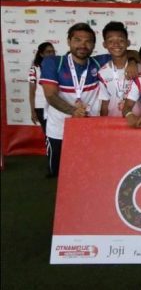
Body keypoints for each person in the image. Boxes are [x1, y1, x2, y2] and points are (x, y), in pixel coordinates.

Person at [39, 23, 115, 177]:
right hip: (59, 129)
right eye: (77, 40)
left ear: (94, 45)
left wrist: (133, 62)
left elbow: (129, 53)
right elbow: (51, 95)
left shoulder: (98, 62)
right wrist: (73, 111)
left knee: (88, 171)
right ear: (68, 41)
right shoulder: (53, 62)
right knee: (57, 172)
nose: (82, 45)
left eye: (88, 41)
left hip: (89, 129)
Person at [97, 21, 141, 117]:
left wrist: (133, 61)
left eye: (121, 40)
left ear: (128, 43)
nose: (116, 44)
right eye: (110, 41)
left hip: (139, 123)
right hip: (114, 125)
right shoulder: (102, 72)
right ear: (104, 44)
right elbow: (105, 103)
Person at [28, 42, 55, 135]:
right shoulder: (35, 69)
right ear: (41, 54)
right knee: (48, 134)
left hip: (56, 105)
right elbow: (32, 92)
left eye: (53, 51)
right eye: (48, 52)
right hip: (41, 106)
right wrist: (32, 111)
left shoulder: (58, 67)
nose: (51, 54)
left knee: (57, 134)